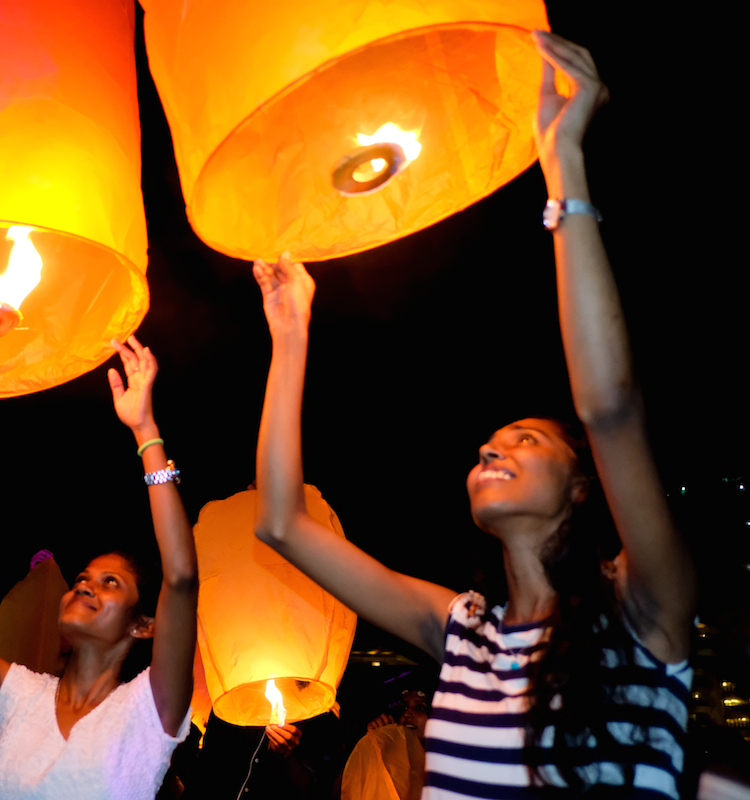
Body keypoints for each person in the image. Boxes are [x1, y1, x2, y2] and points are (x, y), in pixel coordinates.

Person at [252, 31, 696, 799]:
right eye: (489, 444)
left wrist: (564, 166)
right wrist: (290, 336)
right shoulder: (462, 632)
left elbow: (610, 407)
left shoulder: (643, 609)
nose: (491, 450)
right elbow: (281, 523)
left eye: (525, 441)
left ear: (581, 487)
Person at [0, 335, 198, 800]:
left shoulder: (151, 708)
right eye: (82, 579)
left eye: (110, 583)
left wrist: (145, 431)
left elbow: (182, 578)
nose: (85, 587)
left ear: (144, 625)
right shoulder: (16, 696)